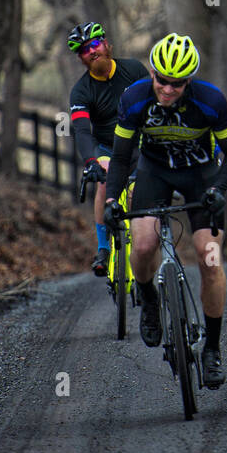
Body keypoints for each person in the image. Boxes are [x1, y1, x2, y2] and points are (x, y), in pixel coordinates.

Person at [103, 33, 227, 389]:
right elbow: (120, 157)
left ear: (189, 81)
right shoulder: (134, 99)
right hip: (155, 172)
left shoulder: (210, 101)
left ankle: (212, 349)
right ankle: (148, 297)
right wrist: (111, 201)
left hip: (201, 176)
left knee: (209, 258)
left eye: (176, 84)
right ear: (151, 73)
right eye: (161, 80)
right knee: (145, 244)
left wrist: (218, 190)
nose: (167, 89)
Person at [66, 22, 150, 276]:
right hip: (108, 149)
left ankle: (144, 246)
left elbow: (155, 106)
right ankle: (103, 248)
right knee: (104, 182)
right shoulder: (81, 91)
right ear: (81, 59)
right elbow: (82, 130)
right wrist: (92, 161)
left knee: (138, 194)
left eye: (94, 44)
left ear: (106, 44)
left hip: (140, 145)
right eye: (83, 50)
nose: (91, 51)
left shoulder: (134, 69)